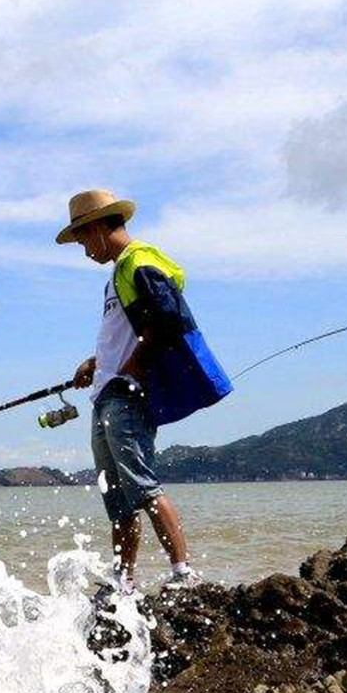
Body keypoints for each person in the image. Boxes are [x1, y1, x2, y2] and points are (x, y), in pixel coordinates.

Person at [59, 188, 232, 592]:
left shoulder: (140, 260)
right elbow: (125, 333)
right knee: (117, 498)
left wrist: (133, 367)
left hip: (125, 395)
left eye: (84, 239)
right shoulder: (116, 276)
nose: (85, 250)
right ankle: (124, 581)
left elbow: (166, 318)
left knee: (142, 484)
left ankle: (182, 573)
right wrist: (95, 363)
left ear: (100, 226)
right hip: (104, 393)